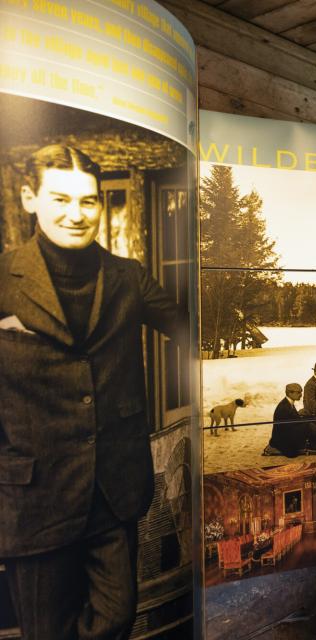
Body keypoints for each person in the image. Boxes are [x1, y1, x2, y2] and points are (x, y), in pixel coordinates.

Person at [0, 145, 185, 639]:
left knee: (117, 617)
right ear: (28, 198)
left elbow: (189, 328)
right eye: (60, 199)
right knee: (47, 630)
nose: (76, 214)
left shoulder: (127, 276)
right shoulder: (3, 278)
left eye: (88, 202)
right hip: (36, 492)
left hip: (113, 486)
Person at [268, 383, 308, 457]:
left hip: (286, 434)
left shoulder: (288, 403)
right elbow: (286, 429)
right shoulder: (284, 407)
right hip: (282, 439)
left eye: (301, 392)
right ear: (290, 393)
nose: (301, 395)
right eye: (298, 392)